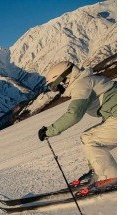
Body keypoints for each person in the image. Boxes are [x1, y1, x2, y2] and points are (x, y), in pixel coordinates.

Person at [38, 61, 117, 194]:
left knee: (92, 140)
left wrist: (49, 130)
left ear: (63, 80)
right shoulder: (87, 81)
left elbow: (74, 114)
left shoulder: (81, 85)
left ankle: (111, 178)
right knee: (87, 137)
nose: (56, 90)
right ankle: (97, 172)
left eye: (54, 86)